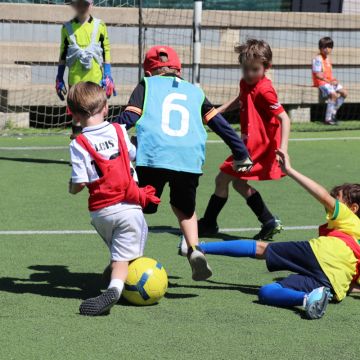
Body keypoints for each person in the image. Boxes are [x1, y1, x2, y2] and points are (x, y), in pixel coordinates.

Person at [116, 45, 252, 282]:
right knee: (184, 208)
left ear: (148, 72)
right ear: (179, 71)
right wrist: (241, 152)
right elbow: (219, 123)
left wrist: (101, 133)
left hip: (154, 156)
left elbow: (129, 118)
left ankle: (126, 260)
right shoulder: (194, 92)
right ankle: (195, 249)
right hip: (189, 159)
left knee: (138, 206)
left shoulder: (146, 85)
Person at [187, 150, 360, 320]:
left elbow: (322, 196)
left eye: (337, 198)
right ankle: (308, 299)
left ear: (353, 208)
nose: (332, 200)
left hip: (323, 254)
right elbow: (353, 284)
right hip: (333, 285)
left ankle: (197, 247)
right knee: (267, 292)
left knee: (262, 248)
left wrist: (290, 171)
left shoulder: (350, 218)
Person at [67, 82, 160, 316]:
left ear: (74, 115)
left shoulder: (78, 143)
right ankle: (116, 290)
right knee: (124, 257)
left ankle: (113, 273)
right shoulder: (119, 130)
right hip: (128, 206)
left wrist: (72, 188)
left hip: (100, 213)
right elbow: (133, 154)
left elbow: (78, 184)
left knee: (119, 249)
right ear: (106, 108)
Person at [198, 39, 291, 241]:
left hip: (256, 147)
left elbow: (284, 118)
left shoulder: (265, 90)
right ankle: (268, 221)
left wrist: (283, 148)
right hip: (248, 143)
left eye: (255, 70)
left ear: (266, 67)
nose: (249, 74)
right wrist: (220, 110)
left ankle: (208, 223)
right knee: (238, 184)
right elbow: (242, 97)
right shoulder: (246, 83)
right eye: (245, 69)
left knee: (222, 179)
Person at [56, 0, 116, 138]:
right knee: (77, 116)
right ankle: (77, 147)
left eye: (85, 4)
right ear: (73, 5)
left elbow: (106, 50)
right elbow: (63, 53)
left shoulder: (100, 25)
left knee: (98, 113)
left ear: (91, 4)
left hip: (95, 79)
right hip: (75, 79)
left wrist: (107, 74)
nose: (82, 7)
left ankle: (99, 150)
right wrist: (59, 77)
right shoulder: (67, 28)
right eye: (78, 3)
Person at [312, 36, 348, 125]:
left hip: (329, 82)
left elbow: (329, 74)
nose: (327, 49)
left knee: (344, 92)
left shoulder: (328, 59)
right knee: (334, 95)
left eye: (329, 47)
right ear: (320, 48)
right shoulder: (318, 59)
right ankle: (328, 119)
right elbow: (317, 74)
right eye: (324, 47)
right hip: (321, 83)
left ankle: (333, 112)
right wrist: (329, 81)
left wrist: (334, 80)